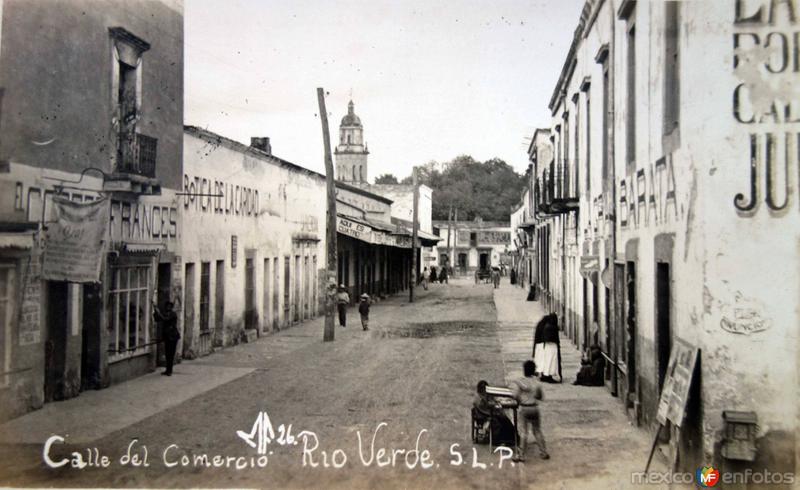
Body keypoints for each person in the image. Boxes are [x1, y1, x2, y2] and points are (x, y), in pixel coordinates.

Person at [509, 360, 549, 461]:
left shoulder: (520, 381)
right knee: (537, 431)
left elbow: (515, 395)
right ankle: (543, 452)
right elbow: (540, 396)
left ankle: (521, 455)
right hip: (535, 408)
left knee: (524, 432)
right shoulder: (537, 382)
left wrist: (520, 400)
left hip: (525, 408)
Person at [473, 380, 517, 447]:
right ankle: (502, 440)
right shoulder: (480, 400)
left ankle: (512, 438)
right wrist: (497, 411)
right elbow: (487, 411)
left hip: (487, 413)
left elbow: (491, 402)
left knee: (504, 419)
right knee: (501, 420)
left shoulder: (481, 396)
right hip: (484, 416)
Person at [153, 301, 180, 376]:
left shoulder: (173, 314)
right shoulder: (165, 313)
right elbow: (157, 319)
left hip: (173, 336)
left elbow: (165, 319)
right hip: (167, 336)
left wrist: (158, 312)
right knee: (167, 354)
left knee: (170, 354)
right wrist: (155, 310)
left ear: (171, 307)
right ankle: (168, 370)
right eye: (167, 306)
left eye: (170, 306)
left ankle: (169, 370)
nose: (168, 308)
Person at [534, 313, 562, 383]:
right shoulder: (552, 327)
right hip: (552, 347)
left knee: (546, 361)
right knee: (551, 362)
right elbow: (555, 339)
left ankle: (545, 374)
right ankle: (548, 375)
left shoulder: (545, 325)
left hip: (545, 346)